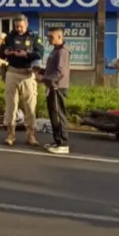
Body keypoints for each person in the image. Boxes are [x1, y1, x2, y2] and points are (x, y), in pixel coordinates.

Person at [0, 14, 43, 147]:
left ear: (27, 24)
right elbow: (0, 52)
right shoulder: (9, 36)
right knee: (11, 105)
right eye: (16, 26)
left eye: (21, 26)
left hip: (27, 74)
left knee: (30, 105)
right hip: (12, 72)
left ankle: (30, 135)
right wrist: (6, 52)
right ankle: (10, 135)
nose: (19, 29)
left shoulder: (34, 37)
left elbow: (40, 52)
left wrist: (27, 54)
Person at [41, 26, 72, 154]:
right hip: (52, 87)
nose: (49, 39)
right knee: (54, 115)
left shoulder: (63, 51)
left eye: (51, 37)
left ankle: (63, 143)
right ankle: (57, 140)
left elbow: (60, 72)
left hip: (57, 87)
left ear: (60, 37)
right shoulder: (56, 50)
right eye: (48, 37)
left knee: (59, 116)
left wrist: (44, 78)